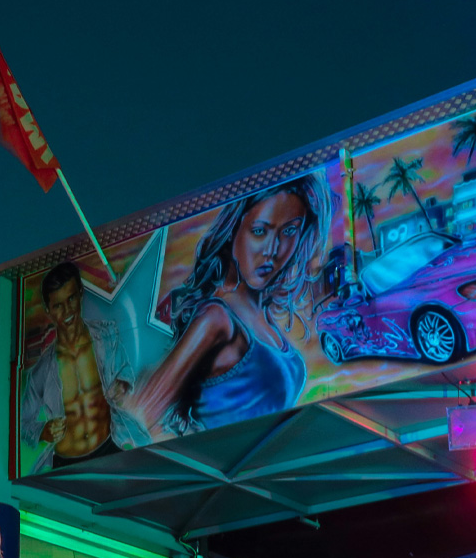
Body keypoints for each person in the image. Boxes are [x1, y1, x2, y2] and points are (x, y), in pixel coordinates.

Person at [135, 173, 330, 436]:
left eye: (290, 231)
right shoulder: (216, 318)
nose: (273, 249)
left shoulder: (264, 320)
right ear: (233, 232)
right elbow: (139, 416)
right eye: (260, 231)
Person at [20, 261, 147, 471]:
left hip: (109, 447)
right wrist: (42, 430)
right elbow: (22, 423)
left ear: (80, 293)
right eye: (58, 306)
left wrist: (122, 385)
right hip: (67, 462)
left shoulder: (107, 337)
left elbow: (125, 370)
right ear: (48, 310)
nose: (67, 310)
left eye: (71, 299)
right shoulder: (41, 371)